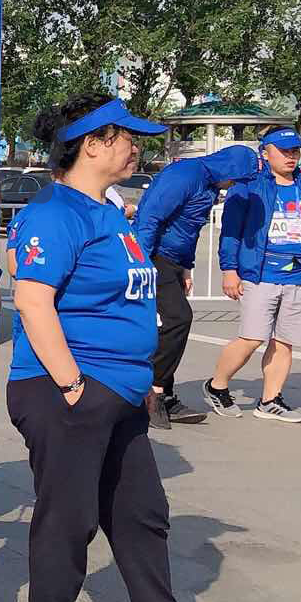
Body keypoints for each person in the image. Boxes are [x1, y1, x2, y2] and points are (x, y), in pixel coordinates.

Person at [8, 94, 241, 602]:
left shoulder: (109, 212)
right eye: (127, 137)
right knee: (70, 516)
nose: (137, 148)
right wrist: (73, 385)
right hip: (66, 389)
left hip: (120, 391)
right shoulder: (55, 212)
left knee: (141, 514)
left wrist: (139, 383)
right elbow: (33, 301)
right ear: (92, 144)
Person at [130, 145, 258, 429]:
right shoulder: (185, 175)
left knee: (170, 325)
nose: (234, 186)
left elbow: (190, 229)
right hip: (154, 255)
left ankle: (165, 393)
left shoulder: (210, 185)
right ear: (228, 169)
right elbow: (150, 217)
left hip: (175, 260)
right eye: (236, 179)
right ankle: (153, 393)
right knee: (178, 318)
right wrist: (142, 263)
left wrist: (186, 267)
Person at [203, 127, 301, 423]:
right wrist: (229, 270)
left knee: (284, 341)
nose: (291, 156)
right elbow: (231, 233)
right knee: (252, 338)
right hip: (259, 275)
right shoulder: (248, 188)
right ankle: (217, 386)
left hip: (298, 277)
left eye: (295, 151)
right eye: (283, 151)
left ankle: (270, 400)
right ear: (265, 154)